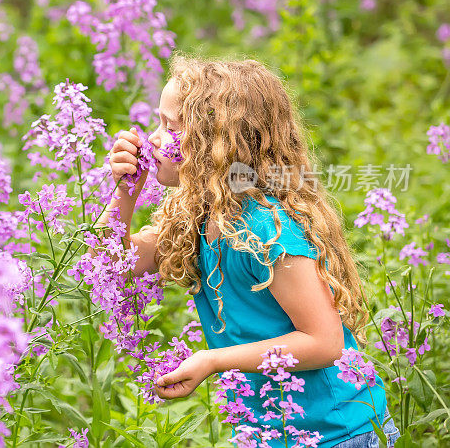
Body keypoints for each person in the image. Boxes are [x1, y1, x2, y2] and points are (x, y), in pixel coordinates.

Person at [103, 54, 402, 447]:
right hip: (270, 432)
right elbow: (112, 269)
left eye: (171, 127)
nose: (154, 139)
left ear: (217, 145)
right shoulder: (198, 213)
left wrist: (212, 361)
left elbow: (324, 342)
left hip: (337, 433)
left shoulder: (265, 228)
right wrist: (125, 191)